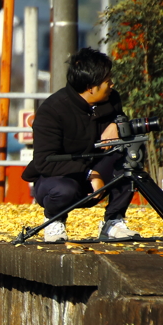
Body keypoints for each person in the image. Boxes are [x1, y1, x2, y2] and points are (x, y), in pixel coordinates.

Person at [23, 47, 140, 243]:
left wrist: (117, 124)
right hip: (58, 177)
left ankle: (113, 221)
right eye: (107, 81)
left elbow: (121, 119)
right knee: (63, 190)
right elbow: (45, 162)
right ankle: (54, 219)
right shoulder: (52, 110)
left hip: (98, 168)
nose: (112, 84)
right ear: (90, 87)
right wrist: (89, 174)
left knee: (133, 152)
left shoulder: (111, 99)